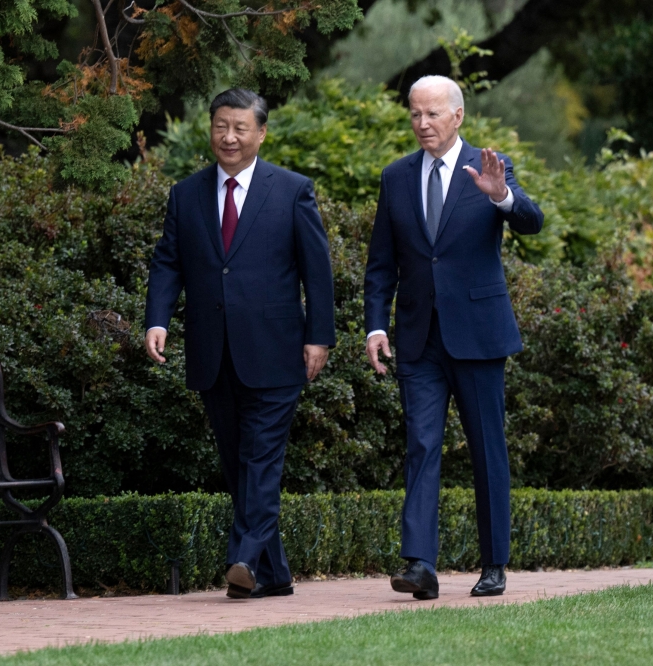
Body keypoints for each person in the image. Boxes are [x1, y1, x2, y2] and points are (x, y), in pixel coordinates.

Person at [144, 88, 336, 599]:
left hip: (277, 347)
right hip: (213, 351)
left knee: (261, 457)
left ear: (261, 133)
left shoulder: (292, 190)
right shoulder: (186, 194)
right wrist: (157, 320)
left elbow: (317, 271)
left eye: (240, 128)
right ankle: (273, 574)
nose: (229, 137)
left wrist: (319, 337)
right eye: (220, 127)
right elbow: (168, 262)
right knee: (236, 461)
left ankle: (244, 558)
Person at [363, 75, 544, 599]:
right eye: (415, 114)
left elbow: (532, 221)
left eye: (433, 114)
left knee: (487, 449)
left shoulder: (491, 166)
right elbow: (381, 264)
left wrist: (502, 196)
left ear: (458, 116)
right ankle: (420, 565)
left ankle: (494, 564)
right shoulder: (396, 176)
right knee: (421, 445)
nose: (422, 123)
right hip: (418, 338)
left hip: (478, 335)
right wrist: (376, 324)